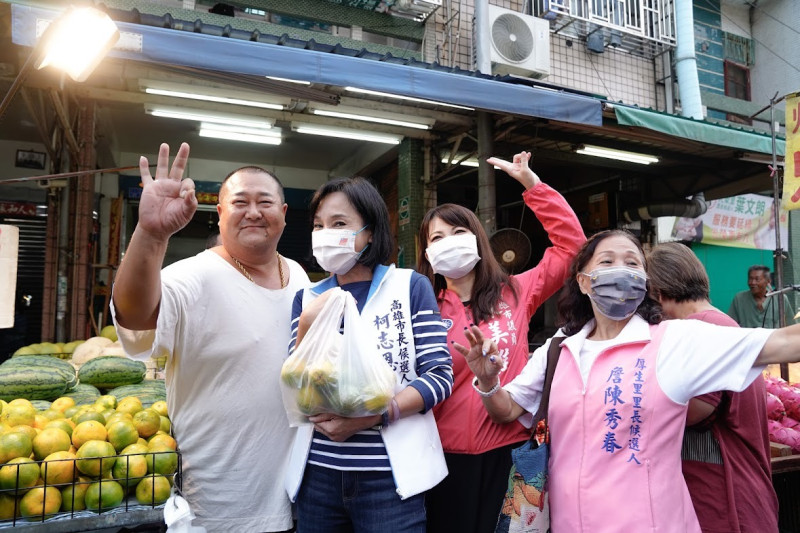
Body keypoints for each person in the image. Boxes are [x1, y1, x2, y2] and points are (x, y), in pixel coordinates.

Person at [455, 228, 800, 533]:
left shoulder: (674, 341)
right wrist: (487, 382)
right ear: (583, 280)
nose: (621, 269)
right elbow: (506, 409)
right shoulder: (560, 347)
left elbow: (783, 343)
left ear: (646, 282)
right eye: (607, 261)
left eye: (633, 263)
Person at [111, 142, 310, 532]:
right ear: (219, 214)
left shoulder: (299, 276)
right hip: (218, 505)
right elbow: (136, 315)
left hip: (294, 495)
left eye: (264, 202)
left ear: (283, 214)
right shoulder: (194, 275)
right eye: (240, 202)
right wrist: (150, 234)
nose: (253, 212)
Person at [416, 150, 585, 533]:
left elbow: (573, 250)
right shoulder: (420, 303)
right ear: (427, 252)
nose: (449, 242)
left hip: (510, 453)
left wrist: (532, 184)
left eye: (458, 232)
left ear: (477, 240)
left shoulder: (516, 292)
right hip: (439, 456)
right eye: (437, 237)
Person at [285, 177, 453, 533]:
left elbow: (439, 376)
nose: (326, 233)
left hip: (390, 482)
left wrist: (378, 413)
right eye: (319, 225)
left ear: (371, 232)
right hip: (319, 477)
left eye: (339, 224)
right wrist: (310, 323)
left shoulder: (409, 286)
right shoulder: (308, 298)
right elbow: (296, 384)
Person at [647, 242, 778, 533]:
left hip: (724, 501)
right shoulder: (719, 321)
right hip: (740, 495)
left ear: (657, 294)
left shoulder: (699, 330)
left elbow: (693, 412)